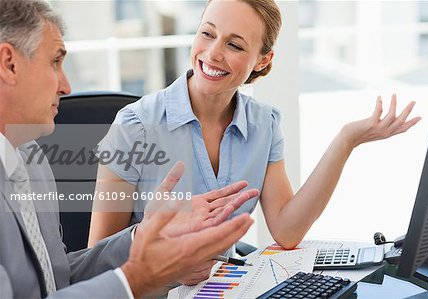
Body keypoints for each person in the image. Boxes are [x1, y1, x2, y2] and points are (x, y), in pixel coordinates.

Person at [90, 0, 420, 257]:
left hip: (223, 287)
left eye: (234, 45)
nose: (213, 53)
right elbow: (98, 255)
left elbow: (287, 231)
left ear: (261, 61)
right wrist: (164, 250)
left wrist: (346, 141)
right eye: (207, 33)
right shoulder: (135, 125)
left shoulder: (264, 125)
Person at [0, 0, 256, 298]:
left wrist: (144, 238)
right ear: (9, 63)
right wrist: (139, 277)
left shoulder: (29, 160)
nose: (66, 86)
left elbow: (56, 281)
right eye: (55, 62)